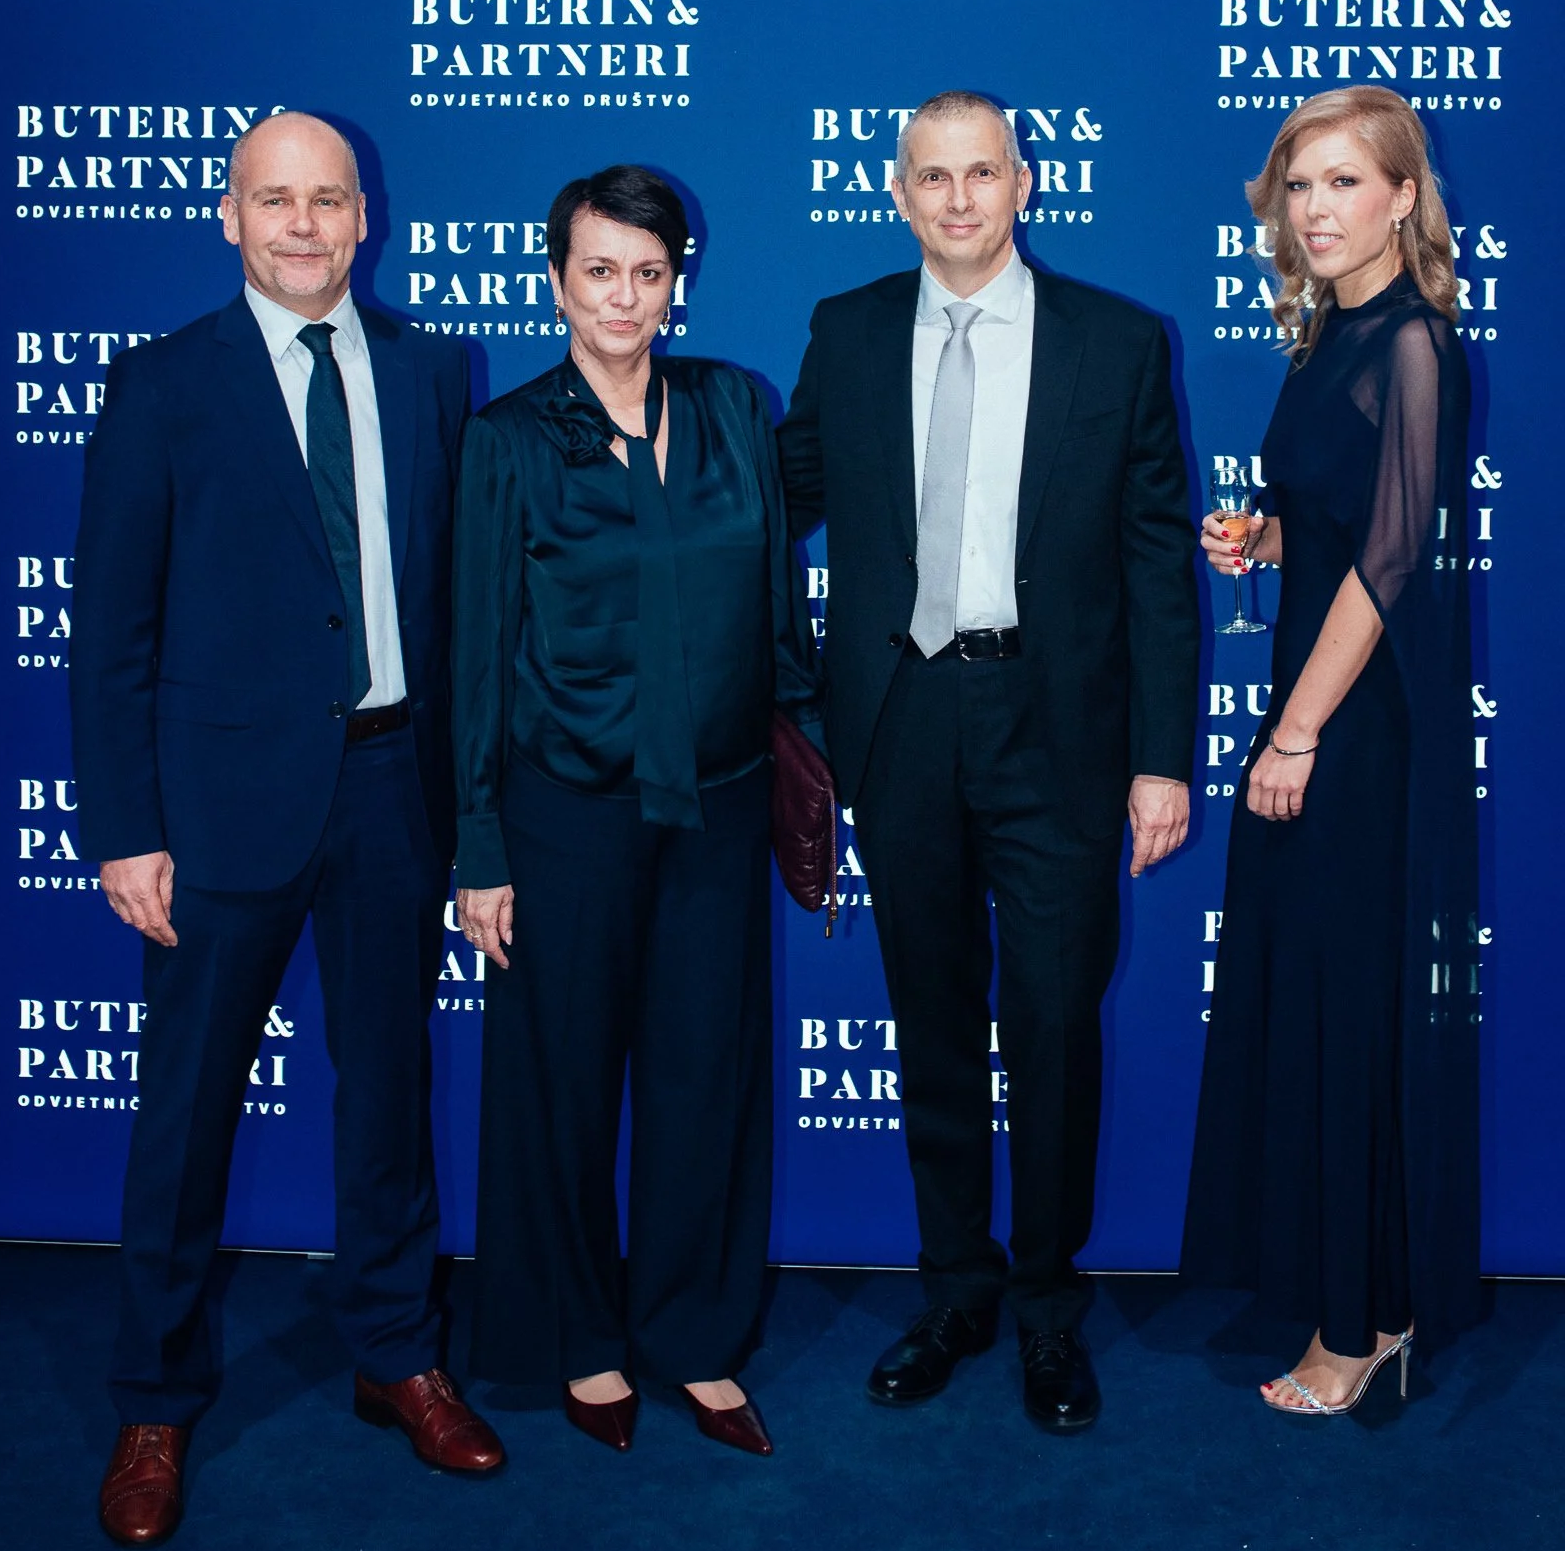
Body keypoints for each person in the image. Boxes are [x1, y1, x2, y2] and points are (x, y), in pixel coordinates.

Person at [72, 112, 503, 1549]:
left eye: (327, 200)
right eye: (275, 200)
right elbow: (109, 632)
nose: (304, 225)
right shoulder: (161, 385)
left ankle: (397, 1354)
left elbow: (452, 606)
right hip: (214, 815)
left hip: (392, 791)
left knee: (387, 1094)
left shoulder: (433, 372)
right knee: (185, 1115)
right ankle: (154, 1399)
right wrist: (126, 827)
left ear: (365, 216)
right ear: (230, 215)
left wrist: (471, 815)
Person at [778, 91, 1199, 1431]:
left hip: (1057, 729)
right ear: (897, 192)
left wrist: (1162, 757)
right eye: (932, 177)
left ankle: (1048, 1310)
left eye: (981, 173)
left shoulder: (1116, 341)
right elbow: (774, 496)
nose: (957, 199)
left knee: (1056, 1024)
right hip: (899, 720)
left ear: (1024, 182)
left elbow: (1156, 563)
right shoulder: (847, 331)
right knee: (935, 1018)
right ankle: (956, 1289)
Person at [453, 165, 822, 1458]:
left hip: (717, 810)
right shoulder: (507, 439)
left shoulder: (731, 406)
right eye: (598, 270)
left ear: (678, 282)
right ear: (558, 281)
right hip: (565, 816)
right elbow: (478, 655)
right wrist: (479, 842)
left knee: (705, 1079)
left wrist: (810, 759)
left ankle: (694, 1336)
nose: (623, 296)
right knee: (558, 1085)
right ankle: (581, 1337)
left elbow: (775, 613)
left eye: (647, 272)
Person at [1182, 87, 1481, 1413]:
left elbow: (1395, 556)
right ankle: (1360, 1297)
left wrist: (1296, 732)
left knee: (1350, 1009)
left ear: (1404, 197)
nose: (1316, 209)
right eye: (1299, 186)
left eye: (1346, 182)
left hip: (1352, 729)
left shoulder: (1413, 342)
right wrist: (1263, 540)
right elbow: (1339, 523)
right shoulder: (1329, 335)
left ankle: (1360, 1331)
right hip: (1315, 703)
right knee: (1313, 998)